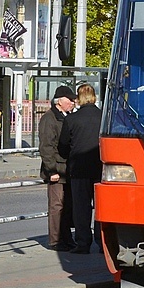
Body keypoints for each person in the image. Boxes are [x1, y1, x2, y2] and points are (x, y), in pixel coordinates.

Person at [60, 82, 101, 254]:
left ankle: (83, 243)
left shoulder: (71, 119)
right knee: (101, 208)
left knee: (81, 208)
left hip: (79, 168)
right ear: (94, 97)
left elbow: (63, 145)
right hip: (101, 169)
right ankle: (102, 242)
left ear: (78, 99)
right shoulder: (103, 117)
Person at [38, 84, 77, 251]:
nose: (73, 103)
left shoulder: (64, 116)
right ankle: (55, 241)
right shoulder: (49, 118)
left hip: (65, 169)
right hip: (56, 170)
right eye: (70, 100)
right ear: (59, 101)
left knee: (67, 206)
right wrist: (51, 170)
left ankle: (66, 238)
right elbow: (46, 146)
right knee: (56, 206)